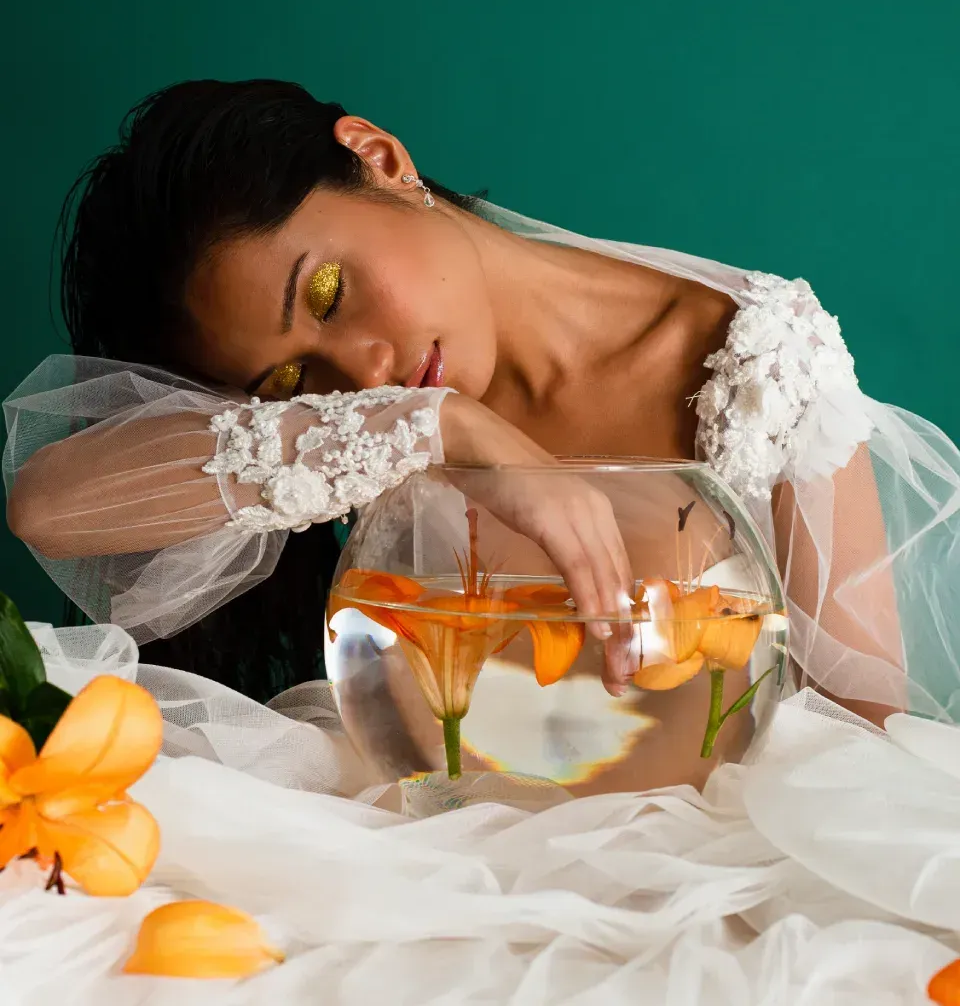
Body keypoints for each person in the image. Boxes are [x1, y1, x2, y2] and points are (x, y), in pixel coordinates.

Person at [4, 80, 958, 739]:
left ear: (380, 157)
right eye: (290, 380)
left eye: (328, 292)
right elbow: (44, 507)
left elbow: (863, 732)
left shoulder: (758, 361)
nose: (362, 373)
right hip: (426, 841)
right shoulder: (363, 428)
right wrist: (436, 428)